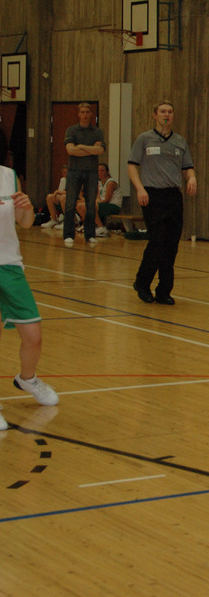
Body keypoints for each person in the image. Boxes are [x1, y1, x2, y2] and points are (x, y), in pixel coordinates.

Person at [0, 165, 59, 431]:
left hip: (10, 265)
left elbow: (25, 222)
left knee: (33, 335)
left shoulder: (8, 175)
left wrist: (26, 207)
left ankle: (27, 378)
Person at [127, 101, 197, 306]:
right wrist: (140, 188)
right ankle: (142, 283)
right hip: (152, 195)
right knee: (157, 241)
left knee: (171, 244)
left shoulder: (180, 142)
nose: (167, 115)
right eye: (163, 111)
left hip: (173, 196)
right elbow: (132, 166)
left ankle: (164, 291)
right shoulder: (144, 139)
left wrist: (191, 178)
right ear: (155, 115)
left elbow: (187, 167)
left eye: (170, 112)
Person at [63, 102, 105, 246]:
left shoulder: (97, 132)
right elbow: (70, 150)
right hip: (74, 171)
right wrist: (90, 149)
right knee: (70, 203)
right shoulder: (71, 130)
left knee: (90, 204)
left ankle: (90, 234)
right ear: (79, 114)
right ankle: (68, 235)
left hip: (91, 172)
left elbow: (100, 150)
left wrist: (80, 146)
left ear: (91, 114)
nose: (85, 114)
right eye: (83, 112)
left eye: (87, 112)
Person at [76, 163, 121, 237]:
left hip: (113, 206)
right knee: (79, 206)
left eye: (102, 171)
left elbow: (107, 200)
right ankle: (89, 224)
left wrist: (94, 202)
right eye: (98, 171)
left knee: (90, 206)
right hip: (103, 204)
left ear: (107, 172)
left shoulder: (110, 183)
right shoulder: (99, 182)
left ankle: (101, 227)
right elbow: (98, 197)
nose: (99, 173)